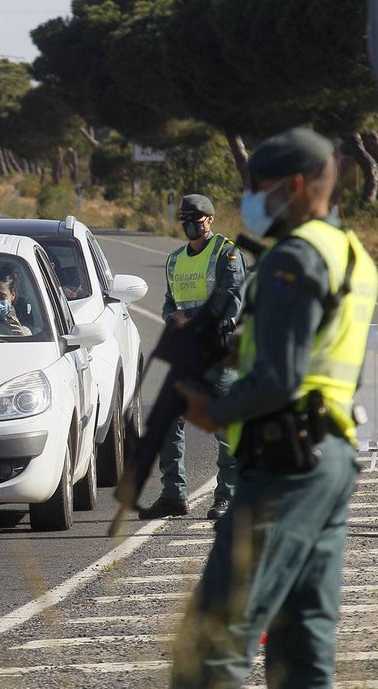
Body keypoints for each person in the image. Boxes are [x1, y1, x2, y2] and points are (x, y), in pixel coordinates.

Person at [174, 128, 377, 688]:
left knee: (213, 644)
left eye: (258, 188)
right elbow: (321, 352)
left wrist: (212, 410)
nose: (251, 201)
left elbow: (281, 380)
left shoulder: (293, 257)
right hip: (331, 456)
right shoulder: (352, 252)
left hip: (287, 465)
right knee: (302, 641)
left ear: (293, 185)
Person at [139, 194, 246, 521]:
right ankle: (174, 495)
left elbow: (230, 306)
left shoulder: (226, 254)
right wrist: (175, 316)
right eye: (185, 219)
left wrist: (190, 316)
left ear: (210, 220)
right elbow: (170, 305)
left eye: (197, 219)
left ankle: (227, 498)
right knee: (168, 425)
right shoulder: (174, 260)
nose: (191, 224)